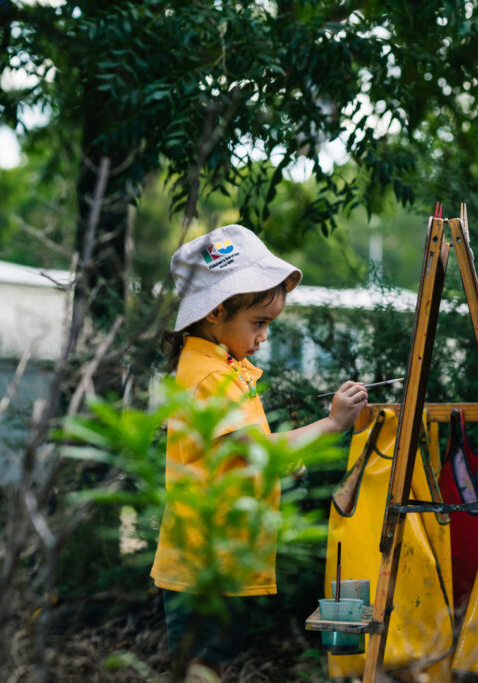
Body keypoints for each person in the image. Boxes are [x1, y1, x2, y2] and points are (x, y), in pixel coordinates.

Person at [150, 224, 368, 683]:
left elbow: (237, 449)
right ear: (215, 312)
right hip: (207, 558)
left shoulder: (224, 367)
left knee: (210, 660)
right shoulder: (210, 375)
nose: (264, 336)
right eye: (259, 323)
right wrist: (330, 424)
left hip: (222, 555)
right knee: (200, 665)